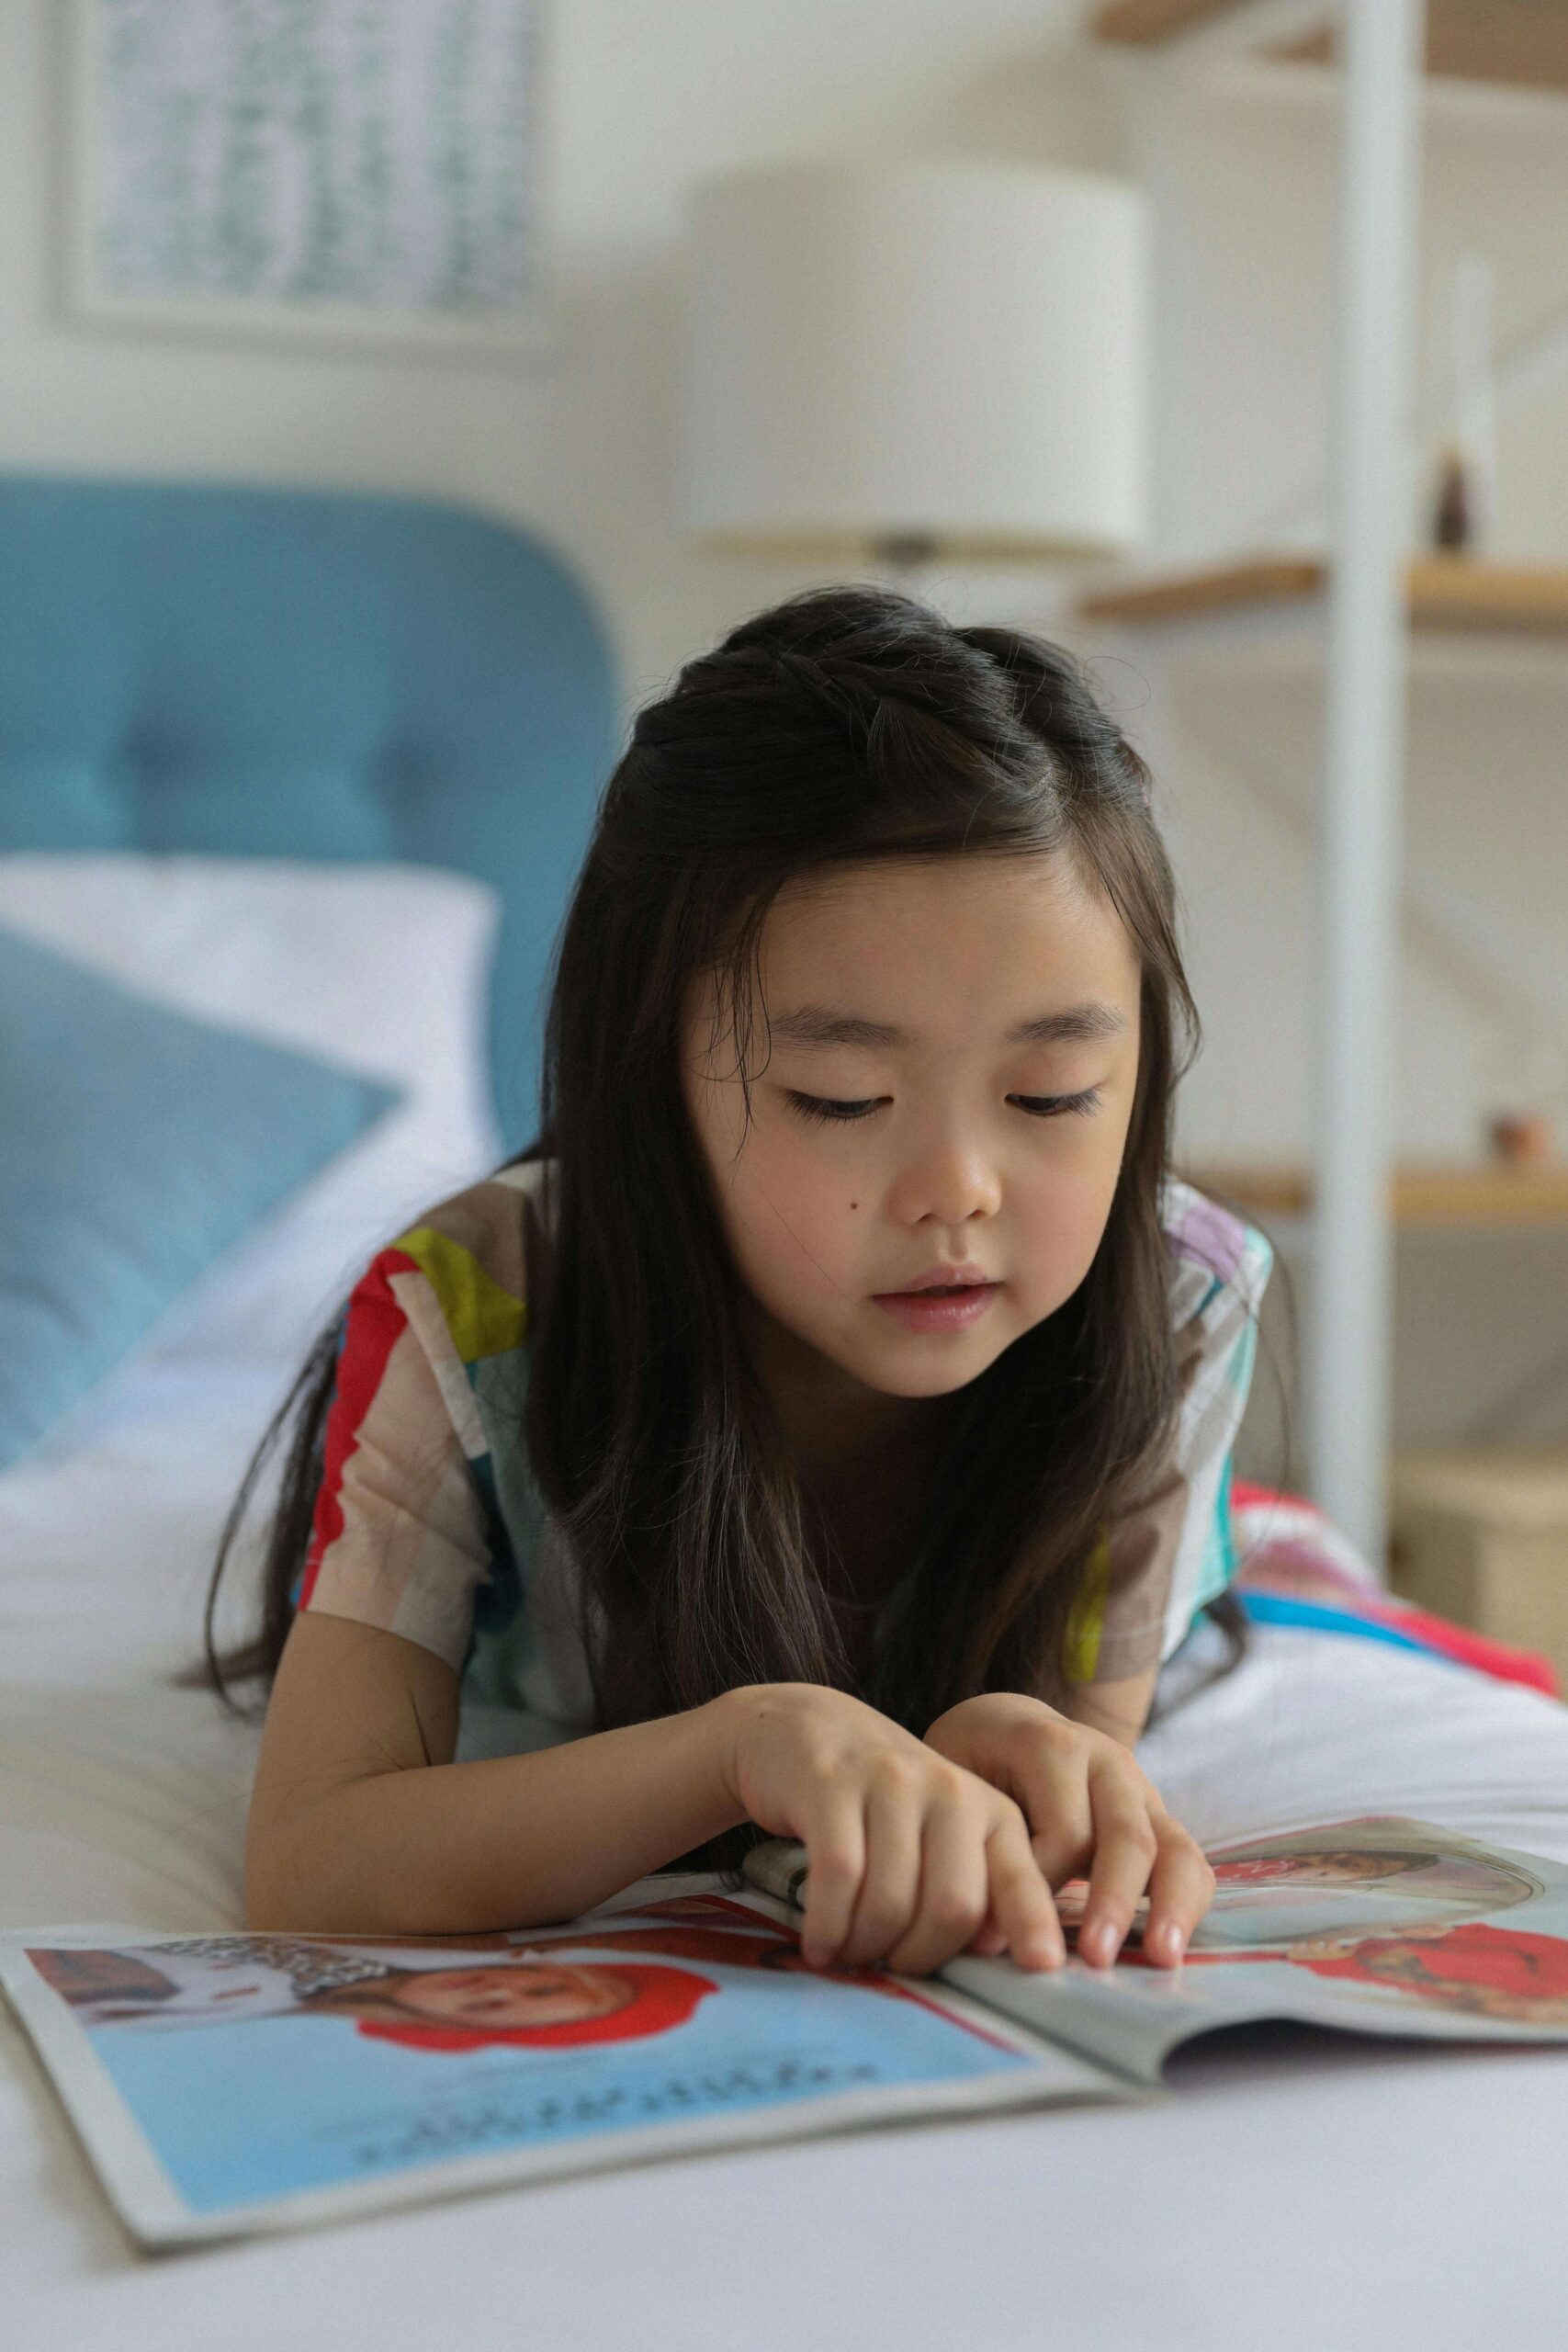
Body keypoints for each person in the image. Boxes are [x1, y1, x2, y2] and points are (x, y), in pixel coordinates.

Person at [203, 584, 1276, 1985]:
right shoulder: (471, 1311)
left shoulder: (1180, 1299)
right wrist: (740, 1748)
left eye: (1052, 1091)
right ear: (653, 1080)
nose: (959, 1188)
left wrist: (1037, 1761)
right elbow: (313, 1862)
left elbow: (1068, 1750)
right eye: (843, 1096)